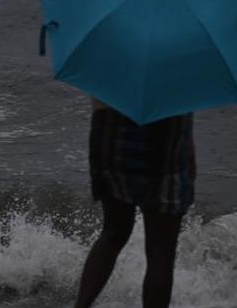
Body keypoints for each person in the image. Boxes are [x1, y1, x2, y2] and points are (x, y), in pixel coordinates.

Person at [74, 97, 195, 308]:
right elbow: (183, 98)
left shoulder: (110, 71)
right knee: (161, 251)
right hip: (165, 136)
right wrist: (189, 149)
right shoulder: (186, 71)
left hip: (112, 131)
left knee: (113, 233)